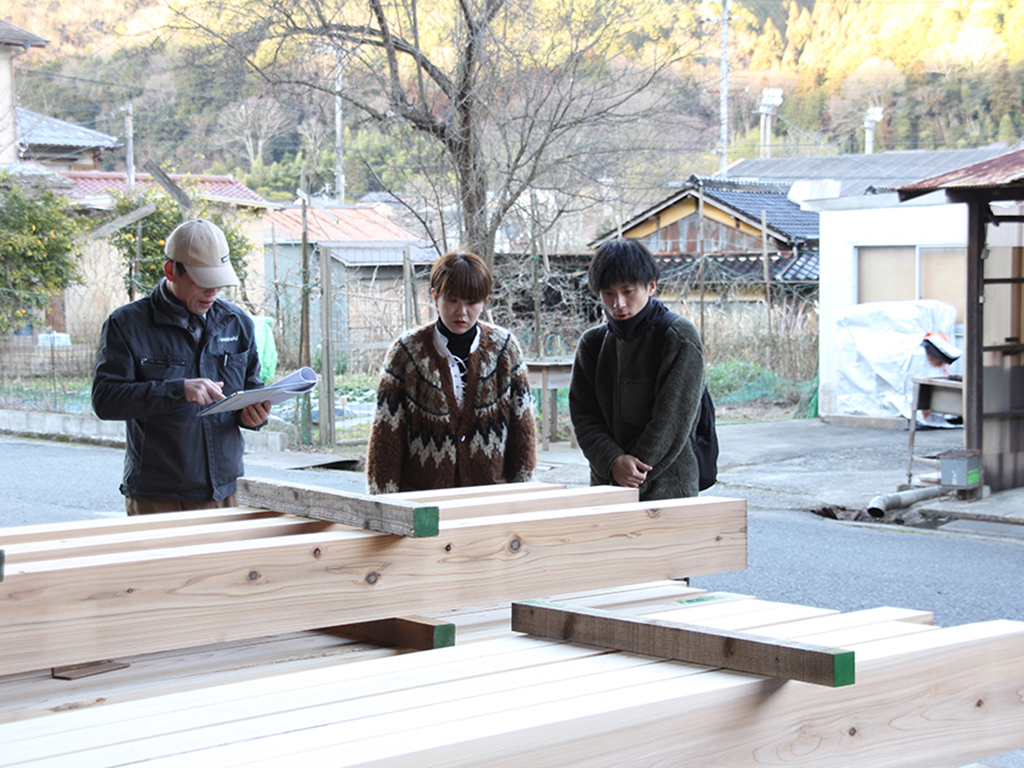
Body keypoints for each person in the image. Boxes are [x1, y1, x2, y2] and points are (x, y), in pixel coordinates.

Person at [92, 218, 270, 515]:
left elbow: (251, 387)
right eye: (203, 281)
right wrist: (178, 390)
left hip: (225, 490)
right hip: (157, 496)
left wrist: (255, 416)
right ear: (171, 271)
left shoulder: (237, 322)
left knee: (225, 564)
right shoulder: (126, 325)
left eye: (219, 282)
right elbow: (105, 401)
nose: (213, 292)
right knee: (162, 564)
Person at [367, 250, 537, 494]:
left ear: (484, 300)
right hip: (422, 501)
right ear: (435, 297)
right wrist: (383, 504)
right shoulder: (406, 353)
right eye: (453, 300)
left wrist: (523, 498)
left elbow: (523, 434)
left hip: (489, 499)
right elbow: (386, 439)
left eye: (471, 302)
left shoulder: (505, 350)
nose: (462, 312)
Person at [569, 238, 705, 500]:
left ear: (651, 286)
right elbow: (584, 416)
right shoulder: (592, 344)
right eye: (608, 293)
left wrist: (635, 469)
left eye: (628, 291)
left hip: (669, 491)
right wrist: (612, 462)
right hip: (607, 486)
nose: (618, 303)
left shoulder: (677, 337)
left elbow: (672, 421)